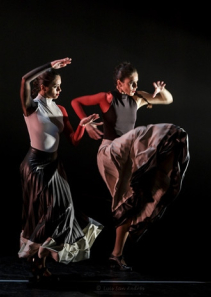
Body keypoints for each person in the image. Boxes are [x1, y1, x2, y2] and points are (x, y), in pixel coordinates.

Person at [71, 61, 190, 271]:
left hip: (128, 156)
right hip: (110, 153)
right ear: (120, 84)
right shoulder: (107, 97)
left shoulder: (138, 98)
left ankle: (116, 255)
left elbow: (167, 100)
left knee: (128, 203)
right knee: (138, 133)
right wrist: (85, 123)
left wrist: (161, 91)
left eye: (136, 83)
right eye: (131, 83)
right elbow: (75, 102)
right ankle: (114, 254)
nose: (135, 87)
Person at [18, 57, 103, 282]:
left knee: (66, 211)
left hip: (54, 165)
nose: (59, 90)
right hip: (36, 165)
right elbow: (25, 79)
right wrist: (49, 66)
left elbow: (73, 140)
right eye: (55, 86)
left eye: (60, 86)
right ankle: (35, 257)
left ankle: (39, 262)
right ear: (43, 87)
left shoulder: (61, 109)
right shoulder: (32, 106)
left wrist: (83, 127)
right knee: (54, 209)